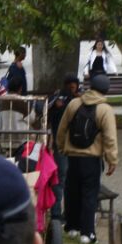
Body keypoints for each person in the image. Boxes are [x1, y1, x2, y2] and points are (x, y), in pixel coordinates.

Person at [57, 72, 118, 244]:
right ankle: (87, 233)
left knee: (72, 192)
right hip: (91, 159)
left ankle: (71, 227)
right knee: (89, 194)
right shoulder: (105, 110)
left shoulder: (75, 103)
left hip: (72, 157)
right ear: (105, 90)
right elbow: (110, 138)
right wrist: (112, 160)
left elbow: (62, 128)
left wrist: (61, 147)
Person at [45, 74, 81, 219]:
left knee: (63, 179)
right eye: (71, 87)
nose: (72, 90)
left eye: (74, 87)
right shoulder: (62, 101)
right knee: (62, 178)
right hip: (65, 146)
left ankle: (60, 213)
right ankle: (58, 213)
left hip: (67, 146)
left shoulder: (59, 101)